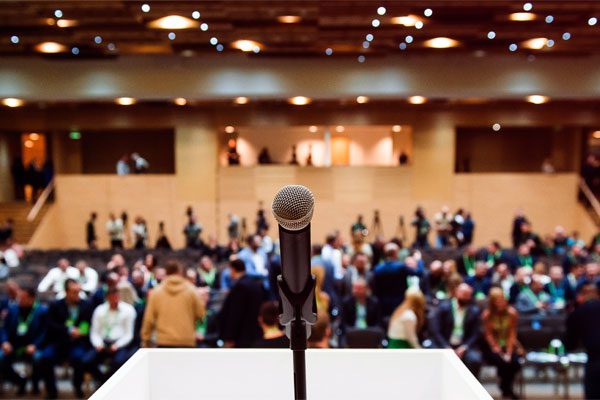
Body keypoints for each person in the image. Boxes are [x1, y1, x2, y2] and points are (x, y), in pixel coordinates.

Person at [0, 285, 53, 397]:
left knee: (40, 358)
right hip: (13, 345)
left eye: (23, 298)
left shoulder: (42, 311)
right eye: (19, 297)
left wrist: (35, 345)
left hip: (33, 346)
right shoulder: (12, 309)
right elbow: (4, 328)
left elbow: (45, 332)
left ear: (32, 298)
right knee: (1, 358)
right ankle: (19, 381)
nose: (20, 300)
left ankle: (35, 385)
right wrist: (4, 342)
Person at [46, 279, 95, 398]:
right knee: (45, 358)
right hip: (60, 342)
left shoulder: (86, 304)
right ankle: (51, 391)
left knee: (79, 358)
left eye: (78, 291)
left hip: (77, 342)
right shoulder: (55, 305)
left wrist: (81, 332)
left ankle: (77, 386)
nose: (77, 295)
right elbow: (51, 324)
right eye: (74, 292)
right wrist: (67, 330)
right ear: (66, 292)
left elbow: (89, 323)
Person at [141, 261, 205, 348]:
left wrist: (145, 340)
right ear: (180, 272)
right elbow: (201, 315)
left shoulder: (156, 292)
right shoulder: (192, 291)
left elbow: (148, 319)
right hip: (186, 340)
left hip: (164, 341)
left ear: (166, 272)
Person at [429, 283, 482, 377]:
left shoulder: (474, 310)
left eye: (468, 295)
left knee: (475, 359)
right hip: (444, 343)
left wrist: (465, 347)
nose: (465, 297)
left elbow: (476, 333)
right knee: (432, 356)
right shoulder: (443, 307)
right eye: (463, 294)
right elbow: (435, 330)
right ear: (456, 293)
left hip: (463, 345)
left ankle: (468, 388)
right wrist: (446, 346)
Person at [89, 287, 136, 383]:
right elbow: (94, 332)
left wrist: (117, 345)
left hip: (119, 343)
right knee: (87, 361)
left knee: (119, 362)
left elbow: (129, 334)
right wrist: (98, 343)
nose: (114, 300)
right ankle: (102, 381)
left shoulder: (128, 310)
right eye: (111, 298)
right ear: (107, 298)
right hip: (103, 342)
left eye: (116, 298)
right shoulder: (99, 310)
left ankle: (109, 383)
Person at [482, 287, 521, 400]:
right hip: (492, 346)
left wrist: (508, 352)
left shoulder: (512, 313)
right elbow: (488, 334)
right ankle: (507, 390)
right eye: (497, 300)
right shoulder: (487, 315)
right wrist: (496, 348)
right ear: (493, 302)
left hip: (508, 344)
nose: (501, 302)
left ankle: (505, 388)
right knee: (502, 362)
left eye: (502, 299)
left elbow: (512, 334)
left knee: (514, 363)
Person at [218, 259, 265, 348]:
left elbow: (235, 313)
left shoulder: (240, 287)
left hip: (241, 335)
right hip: (254, 332)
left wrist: (229, 336)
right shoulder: (255, 283)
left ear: (233, 269)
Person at [565, 284, 600, 400]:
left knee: (593, 393)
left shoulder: (578, 312)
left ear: (581, 296)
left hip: (594, 358)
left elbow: (570, 341)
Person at [371, 243, 420, 318]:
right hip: (399, 302)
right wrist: (418, 260)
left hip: (382, 303)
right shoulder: (400, 267)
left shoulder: (377, 268)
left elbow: (374, 287)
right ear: (395, 253)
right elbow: (418, 273)